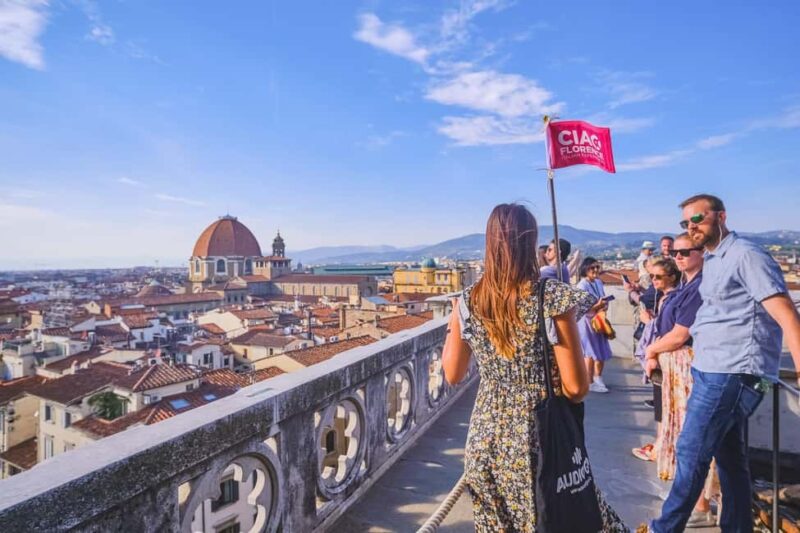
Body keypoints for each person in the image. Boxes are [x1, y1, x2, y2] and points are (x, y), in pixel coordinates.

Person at [442, 203, 627, 532]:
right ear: (530, 244)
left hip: (485, 440)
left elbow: (453, 374)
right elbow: (576, 387)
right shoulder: (551, 297)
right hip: (537, 439)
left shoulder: (467, 301)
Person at [648, 194, 800, 533]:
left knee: (690, 453)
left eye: (698, 219)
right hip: (710, 370)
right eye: (686, 223)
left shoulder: (746, 255)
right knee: (731, 461)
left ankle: (664, 529)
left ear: (721, 216)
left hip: (732, 372)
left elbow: (787, 316)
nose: (692, 227)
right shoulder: (714, 259)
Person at [631, 257, 682, 462]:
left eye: (658, 277)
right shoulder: (668, 297)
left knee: (663, 406)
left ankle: (660, 449)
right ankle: (661, 445)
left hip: (666, 358)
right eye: (652, 276)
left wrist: (648, 323)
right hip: (664, 357)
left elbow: (670, 331)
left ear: (672, 277)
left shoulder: (671, 299)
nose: (653, 280)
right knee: (663, 405)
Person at [577, 257, 614, 393]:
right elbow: (583, 308)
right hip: (587, 321)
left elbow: (601, 298)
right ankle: (590, 381)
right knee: (590, 352)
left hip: (598, 319)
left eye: (597, 267)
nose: (595, 270)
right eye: (592, 268)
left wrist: (604, 305)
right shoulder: (582, 285)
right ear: (585, 269)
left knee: (600, 349)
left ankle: (597, 377)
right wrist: (598, 305)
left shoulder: (598, 282)